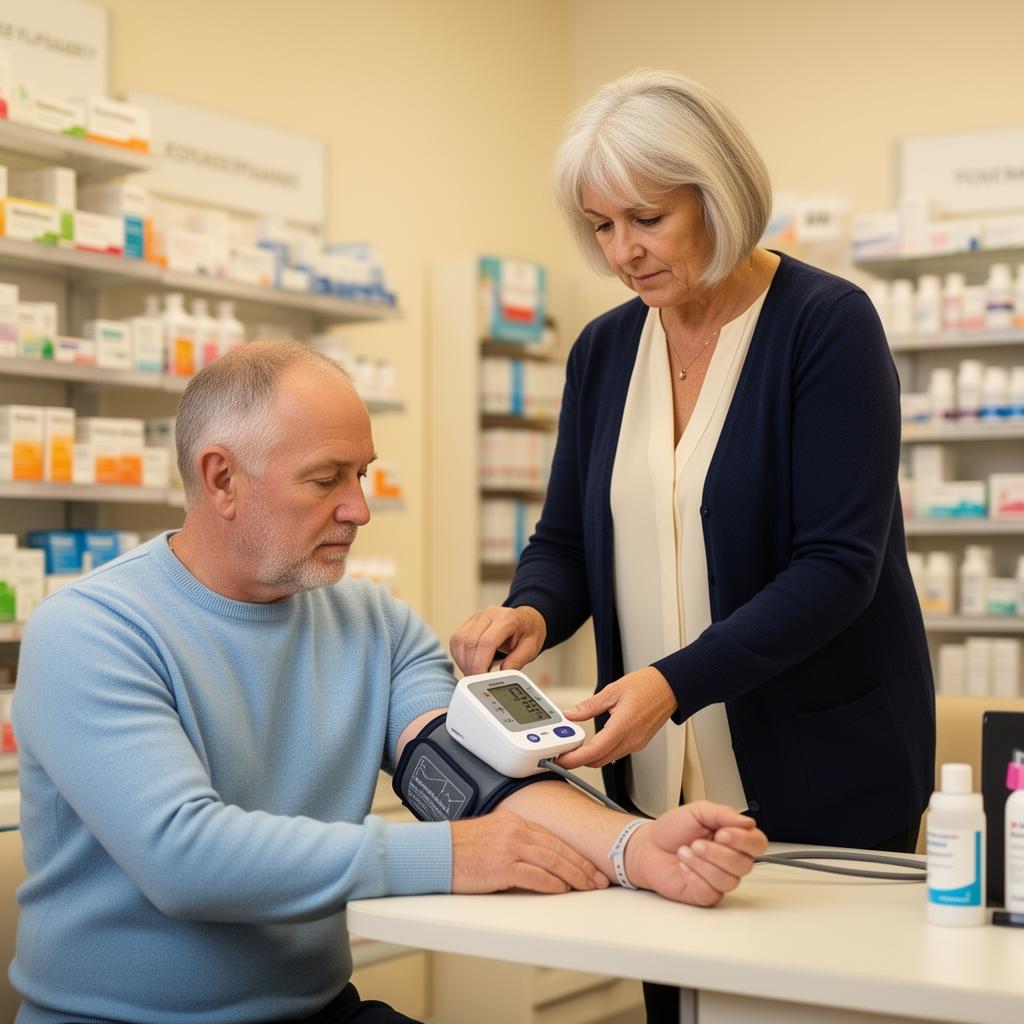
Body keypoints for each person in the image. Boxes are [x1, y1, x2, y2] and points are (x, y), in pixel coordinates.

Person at [11, 340, 766, 1024]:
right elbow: (184, 860)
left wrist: (637, 847)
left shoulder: (374, 624)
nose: (359, 509)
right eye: (325, 480)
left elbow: (471, 777)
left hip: (315, 1012)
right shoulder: (91, 631)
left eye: (362, 475)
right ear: (221, 479)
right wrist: (451, 856)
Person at [449, 68, 935, 1021]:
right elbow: (568, 538)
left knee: (817, 1002)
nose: (622, 252)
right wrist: (531, 610)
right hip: (656, 776)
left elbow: (840, 566)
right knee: (679, 1001)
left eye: (646, 219)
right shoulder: (603, 350)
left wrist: (673, 682)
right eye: (600, 226)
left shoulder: (825, 326)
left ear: (715, 194)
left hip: (820, 764)